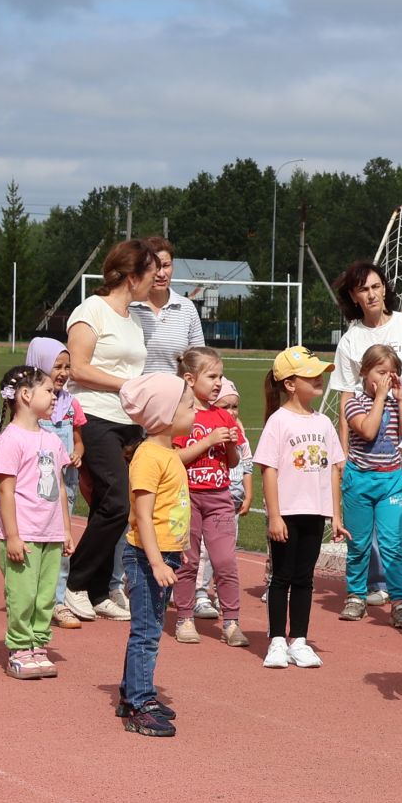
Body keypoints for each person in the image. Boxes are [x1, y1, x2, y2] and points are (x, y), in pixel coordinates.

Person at [62, 239, 158, 623]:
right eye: (152, 273)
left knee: (117, 505)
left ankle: (100, 589)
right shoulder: (91, 311)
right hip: (94, 417)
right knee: (116, 500)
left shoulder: (133, 318)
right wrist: (125, 385)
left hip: (128, 422)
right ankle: (75, 584)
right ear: (132, 276)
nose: (158, 279)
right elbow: (78, 368)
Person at [257, 345, 345, 668]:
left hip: (315, 513)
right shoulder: (278, 422)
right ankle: (277, 641)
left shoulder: (323, 423)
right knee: (281, 576)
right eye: (311, 374)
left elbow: (334, 469)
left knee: (306, 577)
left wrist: (335, 515)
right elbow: (269, 470)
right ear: (290, 384)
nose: (319, 377)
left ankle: (301, 640)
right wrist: (275, 515)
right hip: (287, 513)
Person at [118, 372, 197, 735]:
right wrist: (154, 562)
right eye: (189, 405)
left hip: (165, 556)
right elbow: (143, 517)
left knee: (148, 630)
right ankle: (139, 704)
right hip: (148, 559)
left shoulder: (168, 453)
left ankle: (132, 692)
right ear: (165, 413)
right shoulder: (150, 456)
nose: (195, 411)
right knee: (147, 633)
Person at [0, 364, 74, 679]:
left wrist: (65, 529)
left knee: (45, 596)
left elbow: (61, 489)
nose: (55, 397)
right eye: (49, 391)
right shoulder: (10, 439)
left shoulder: (52, 440)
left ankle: (39, 643)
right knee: (22, 594)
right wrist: (12, 536)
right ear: (25, 395)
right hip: (23, 533)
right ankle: (19, 647)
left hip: (50, 533)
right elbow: (6, 491)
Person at [168, 348, 246, 648]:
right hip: (187, 498)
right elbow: (176, 458)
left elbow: (234, 461)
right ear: (190, 379)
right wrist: (208, 441)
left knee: (225, 561)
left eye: (220, 376)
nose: (218, 383)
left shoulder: (224, 415)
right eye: (211, 376)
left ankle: (231, 621)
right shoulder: (182, 416)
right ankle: (185, 617)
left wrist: (228, 445)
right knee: (187, 561)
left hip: (219, 497)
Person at [336, 344, 402, 628]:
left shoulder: (394, 404)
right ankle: (356, 595)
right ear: (364, 372)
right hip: (359, 480)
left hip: (391, 480)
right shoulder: (354, 403)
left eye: (391, 373)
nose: (385, 378)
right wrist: (380, 396)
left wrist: (400, 399)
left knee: (393, 544)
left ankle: (400, 601)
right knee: (358, 543)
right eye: (380, 372)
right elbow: (367, 431)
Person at [25, 336, 85, 628]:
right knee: (31, 544)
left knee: (63, 543)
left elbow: (78, 441)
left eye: (67, 367)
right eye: (56, 366)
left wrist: (77, 454)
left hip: (65, 486)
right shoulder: (28, 405)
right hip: (33, 489)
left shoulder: (71, 405)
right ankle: (30, 597)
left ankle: (57, 602)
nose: (62, 372)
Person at [331, 261, 402, 414]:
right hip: (371, 429)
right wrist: (343, 438)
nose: (371, 295)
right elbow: (347, 396)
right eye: (363, 289)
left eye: (376, 287)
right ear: (353, 296)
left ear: (384, 289)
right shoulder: (349, 341)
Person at [192, 378, 252, 624]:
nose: (231, 412)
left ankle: (220, 595)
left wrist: (248, 494)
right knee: (203, 552)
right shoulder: (205, 428)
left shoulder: (240, 436)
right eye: (225, 406)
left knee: (225, 554)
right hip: (207, 496)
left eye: (235, 407)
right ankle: (199, 593)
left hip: (231, 502)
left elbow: (245, 463)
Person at [132, 238, 206, 374]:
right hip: (135, 393)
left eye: (166, 265)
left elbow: (199, 361)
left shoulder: (187, 308)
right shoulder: (128, 307)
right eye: (155, 267)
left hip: (177, 393)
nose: (161, 274)